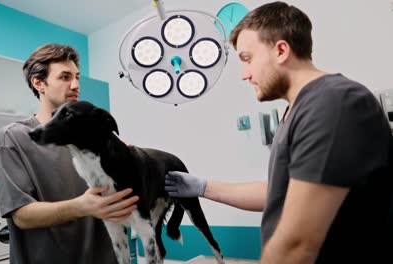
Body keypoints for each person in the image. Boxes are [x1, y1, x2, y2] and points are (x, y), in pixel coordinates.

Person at [165, 2, 393, 263]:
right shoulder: (298, 112)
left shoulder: (334, 102)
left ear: (281, 50)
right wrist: (203, 187)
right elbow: (277, 191)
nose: (244, 75)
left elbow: (296, 245)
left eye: (247, 59)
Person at [0, 43, 139, 264]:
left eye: (77, 77)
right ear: (39, 83)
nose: (75, 85)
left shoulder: (96, 135)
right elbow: (22, 215)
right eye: (64, 77)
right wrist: (81, 206)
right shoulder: (14, 137)